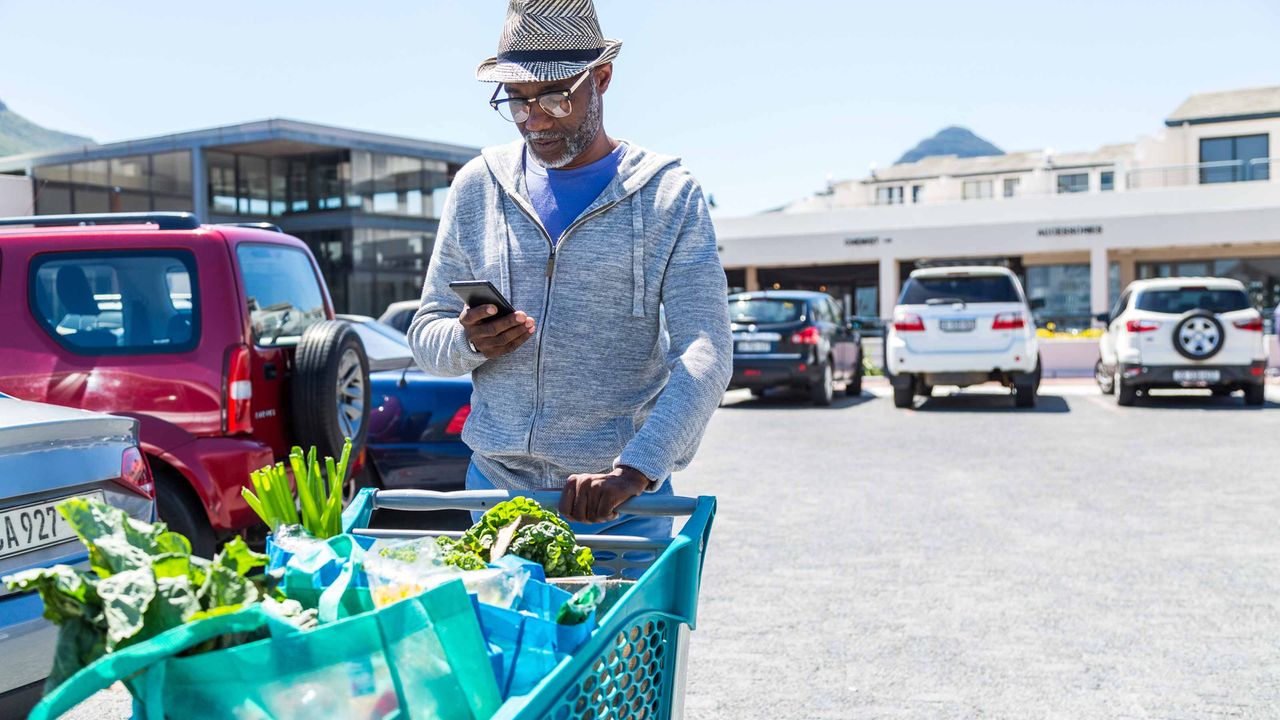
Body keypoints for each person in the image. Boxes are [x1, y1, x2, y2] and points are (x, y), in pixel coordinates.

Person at [407, 0, 732, 542]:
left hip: (622, 507)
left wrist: (637, 469)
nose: (534, 119)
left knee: (621, 633)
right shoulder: (477, 187)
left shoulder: (669, 196)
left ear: (601, 78)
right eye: (517, 101)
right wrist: (470, 342)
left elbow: (706, 349)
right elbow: (426, 332)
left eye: (555, 98)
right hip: (494, 502)